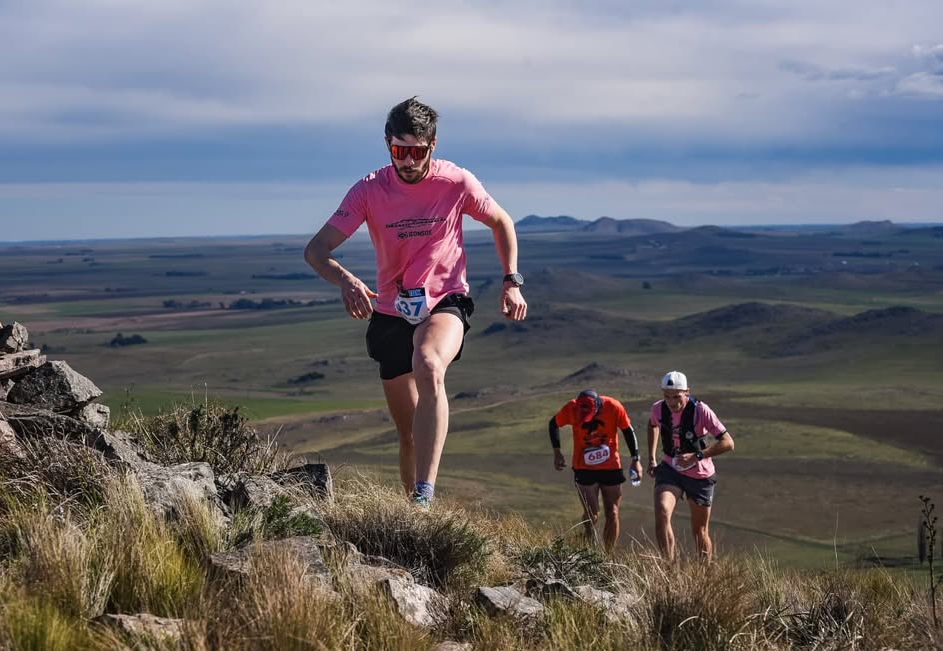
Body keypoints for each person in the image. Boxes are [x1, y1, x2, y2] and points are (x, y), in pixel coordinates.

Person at [303, 97, 527, 508]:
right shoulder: (369, 190)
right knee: (407, 436)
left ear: (432, 146)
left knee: (429, 364)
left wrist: (511, 281)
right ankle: (414, 514)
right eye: (399, 150)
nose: (407, 161)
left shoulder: (456, 182)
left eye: (417, 152)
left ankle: (425, 494)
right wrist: (346, 280)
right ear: (387, 144)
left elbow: (502, 222)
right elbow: (316, 250)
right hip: (391, 312)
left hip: (445, 300)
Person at [646, 371, 734, 561]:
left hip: (700, 474)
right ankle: (668, 568)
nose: (671, 402)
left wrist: (697, 456)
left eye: (676, 397)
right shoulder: (658, 409)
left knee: (700, 532)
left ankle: (705, 573)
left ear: (687, 392)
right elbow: (652, 425)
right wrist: (652, 458)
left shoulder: (701, 411)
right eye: (667, 396)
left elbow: (728, 442)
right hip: (670, 469)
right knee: (662, 512)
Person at [549, 389, 643, 550]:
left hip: (611, 466)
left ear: (598, 407)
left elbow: (628, 430)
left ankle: (608, 555)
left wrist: (636, 460)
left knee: (613, 513)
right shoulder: (571, 408)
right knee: (591, 514)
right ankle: (589, 545)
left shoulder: (613, 407)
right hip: (584, 468)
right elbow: (553, 424)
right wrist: (557, 452)